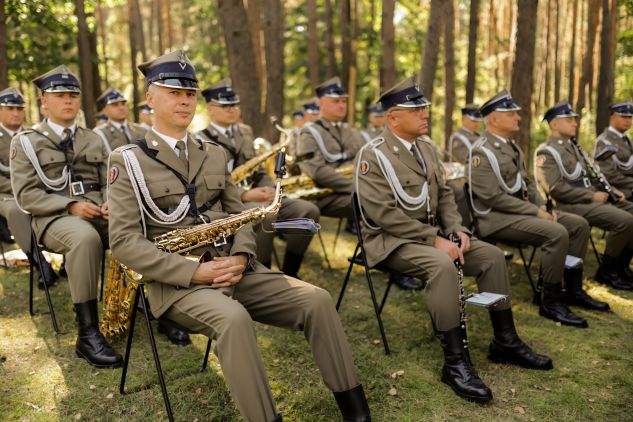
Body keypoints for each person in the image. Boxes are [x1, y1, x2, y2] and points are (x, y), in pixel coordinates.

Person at [107, 50, 370, 422]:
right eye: (172, 92)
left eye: (190, 94)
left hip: (236, 268)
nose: (184, 100)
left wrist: (243, 257)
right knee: (234, 320)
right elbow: (125, 242)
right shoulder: (127, 159)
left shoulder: (211, 153)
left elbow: (239, 215)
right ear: (150, 99)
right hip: (179, 284)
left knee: (319, 301)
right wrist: (194, 273)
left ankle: (356, 411)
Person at [355, 77, 552, 404]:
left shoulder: (428, 148)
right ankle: (455, 362)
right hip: (390, 242)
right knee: (442, 264)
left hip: (430, 236)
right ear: (392, 118)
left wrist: (457, 229)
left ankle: (505, 341)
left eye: (424, 107)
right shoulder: (372, 154)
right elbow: (382, 215)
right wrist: (434, 239)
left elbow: (445, 196)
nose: (425, 113)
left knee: (489, 256)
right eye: (415, 108)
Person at [10, 65, 121, 367]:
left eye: (73, 94)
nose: (68, 100)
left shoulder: (94, 139)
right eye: (60, 95)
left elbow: (111, 181)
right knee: (84, 238)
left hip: (100, 212)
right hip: (53, 219)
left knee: (140, 229)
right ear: (44, 102)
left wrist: (111, 202)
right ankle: (88, 336)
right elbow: (25, 196)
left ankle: (158, 310)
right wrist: (70, 205)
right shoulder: (26, 141)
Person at [468, 90, 592, 328]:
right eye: (512, 114)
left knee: (578, 224)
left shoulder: (512, 147)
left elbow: (527, 185)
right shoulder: (481, 151)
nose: (518, 118)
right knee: (556, 233)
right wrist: (535, 212)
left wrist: (541, 205)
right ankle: (549, 300)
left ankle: (571, 288)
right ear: (494, 119)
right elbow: (492, 198)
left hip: (520, 212)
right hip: (495, 218)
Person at [195, 78, 320, 278]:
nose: (232, 110)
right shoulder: (199, 140)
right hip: (229, 203)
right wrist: (246, 194)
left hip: (259, 196)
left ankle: (291, 271)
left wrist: (271, 189)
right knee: (266, 216)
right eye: (225, 105)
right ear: (210, 109)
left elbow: (259, 170)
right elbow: (205, 184)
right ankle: (262, 274)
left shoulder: (245, 132)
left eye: (234, 105)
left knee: (307, 211)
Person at [535, 101, 633, 292]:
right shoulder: (546, 151)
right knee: (625, 221)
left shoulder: (573, 148)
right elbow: (555, 188)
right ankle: (607, 270)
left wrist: (611, 190)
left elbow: (591, 177)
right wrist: (591, 196)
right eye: (569, 120)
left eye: (575, 120)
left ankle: (620, 267)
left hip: (589, 200)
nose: (575, 123)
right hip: (569, 204)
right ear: (554, 124)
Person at [0, 88, 57, 287]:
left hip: (36, 190)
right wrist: (22, 188)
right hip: (5, 194)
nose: (16, 112)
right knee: (17, 210)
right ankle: (41, 264)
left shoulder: (34, 135)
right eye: (10, 108)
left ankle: (69, 260)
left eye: (19, 108)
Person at [594, 101, 633, 201]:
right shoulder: (604, 142)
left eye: (630, 117)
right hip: (620, 192)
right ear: (612, 117)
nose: (628, 120)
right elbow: (609, 174)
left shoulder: (628, 140)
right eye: (623, 117)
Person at [93, 87, 147, 153]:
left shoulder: (142, 130)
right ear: (104, 111)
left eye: (123, 104)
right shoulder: (99, 133)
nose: (121, 107)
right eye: (115, 105)